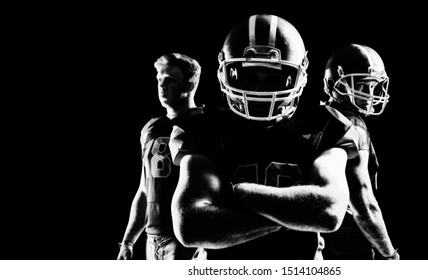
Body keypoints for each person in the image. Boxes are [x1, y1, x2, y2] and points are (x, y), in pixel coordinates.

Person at [168, 14, 357, 259]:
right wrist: (294, 214)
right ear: (225, 72)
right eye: (248, 76)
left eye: (276, 77)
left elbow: (328, 211)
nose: (259, 89)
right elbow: (191, 226)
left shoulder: (323, 125)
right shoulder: (203, 127)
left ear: (300, 77)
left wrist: (242, 193)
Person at [117, 53, 204, 260]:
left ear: (190, 85)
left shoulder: (206, 125)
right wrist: (128, 241)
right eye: (159, 80)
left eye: (170, 80)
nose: (162, 86)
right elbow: (144, 190)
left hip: (185, 241)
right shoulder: (151, 128)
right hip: (152, 239)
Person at [319, 43, 399, 260]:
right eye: (362, 86)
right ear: (333, 84)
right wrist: (389, 252)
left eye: (373, 87)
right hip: (350, 247)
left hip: (319, 244)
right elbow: (363, 203)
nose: (370, 95)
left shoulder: (317, 120)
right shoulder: (352, 126)